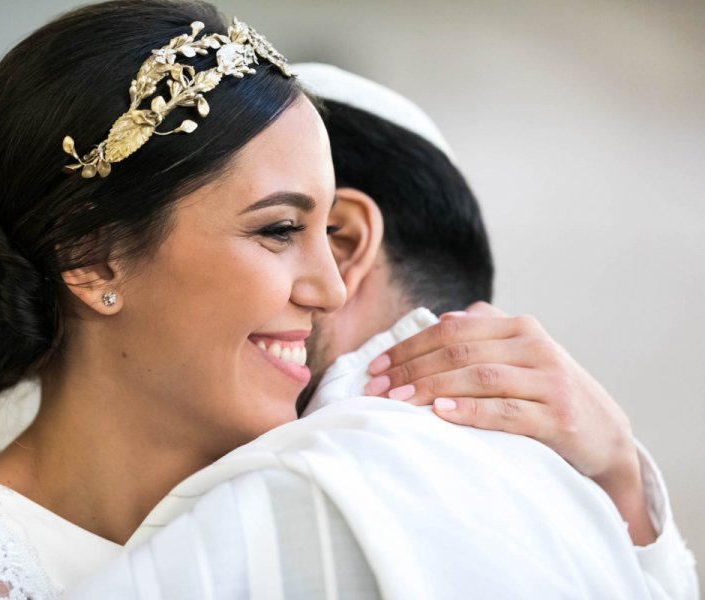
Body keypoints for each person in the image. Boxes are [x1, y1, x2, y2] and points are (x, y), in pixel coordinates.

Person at [63, 65, 698, 598]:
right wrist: (622, 491)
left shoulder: (306, 489)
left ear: (341, 242)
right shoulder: (573, 494)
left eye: (280, 226)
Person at [0, 2, 346, 598]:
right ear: (94, 258)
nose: (331, 290)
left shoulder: (307, 514)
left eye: (328, 233)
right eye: (279, 229)